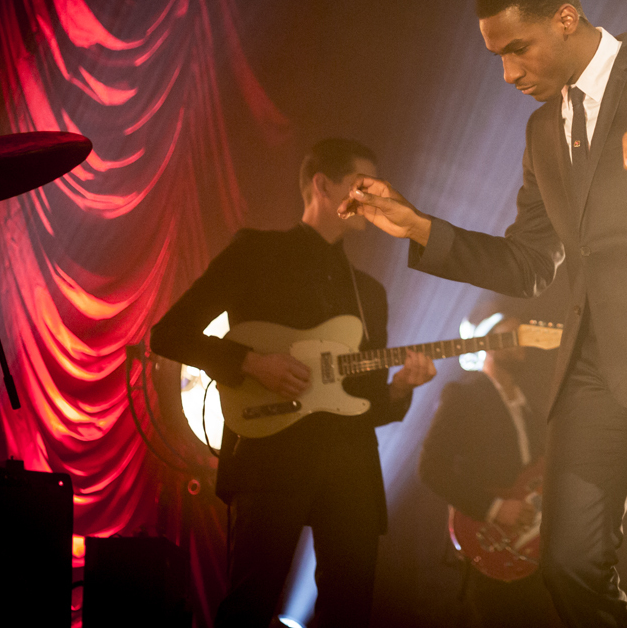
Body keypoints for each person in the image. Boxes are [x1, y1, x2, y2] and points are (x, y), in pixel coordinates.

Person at [341, 0, 627, 627]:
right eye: (497, 57)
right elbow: (530, 264)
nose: (508, 73)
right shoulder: (543, 129)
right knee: (566, 564)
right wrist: (417, 226)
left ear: (566, 20)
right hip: (593, 365)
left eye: (518, 49)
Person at [150, 139, 436, 628]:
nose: (374, 201)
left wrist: (402, 388)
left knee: (349, 612)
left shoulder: (369, 291)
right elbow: (168, 334)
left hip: (350, 467)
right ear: (322, 185)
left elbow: (368, 404)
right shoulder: (255, 252)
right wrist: (250, 362)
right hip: (269, 457)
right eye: (361, 188)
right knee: (248, 606)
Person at [418, 315, 562, 628]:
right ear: (487, 343)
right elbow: (430, 468)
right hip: (488, 538)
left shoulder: (533, 409)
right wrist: (495, 508)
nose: (518, 339)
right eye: (507, 334)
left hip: (532, 547)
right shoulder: (463, 395)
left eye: (520, 334)